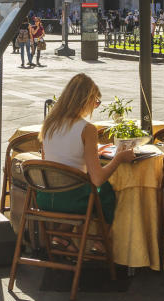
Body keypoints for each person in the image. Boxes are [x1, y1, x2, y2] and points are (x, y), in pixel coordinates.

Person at [38, 73, 134, 224]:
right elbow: (98, 179)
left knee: (89, 190)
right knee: (107, 190)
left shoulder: (49, 124)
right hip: (71, 200)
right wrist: (119, 158)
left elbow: (49, 161)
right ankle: (100, 242)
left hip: (45, 196)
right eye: (96, 101)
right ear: (86, 100)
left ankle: (63, 239)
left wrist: (89, 154)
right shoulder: (87, 129)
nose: (95, 106)